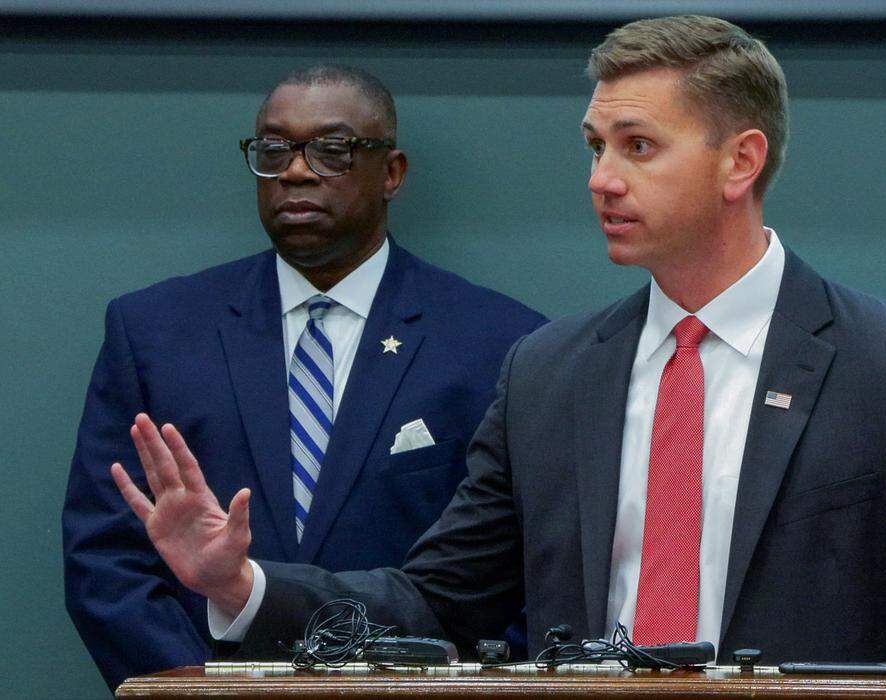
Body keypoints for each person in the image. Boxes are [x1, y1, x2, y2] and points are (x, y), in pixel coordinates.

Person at [111, 17, 886, 683]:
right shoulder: (550, 372)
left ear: (740, 161)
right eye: (594, 146)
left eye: (637, 146)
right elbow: (436, 599)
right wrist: (242, 588)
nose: (600, 177)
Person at [63, 64, 546, 689]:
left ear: (392, 173)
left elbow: (524, 573)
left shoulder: (501, 343)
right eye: (273, 150)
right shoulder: (154, 332)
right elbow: (106, 560)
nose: (294, 171)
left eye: (332, 150)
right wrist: (198, 688)